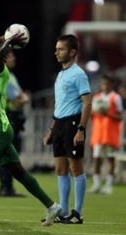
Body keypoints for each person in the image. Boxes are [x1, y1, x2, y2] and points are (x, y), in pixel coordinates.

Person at [0, 34, 62, 226]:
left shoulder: (1, 73)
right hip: (0, 130)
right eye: (11, 56)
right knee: (19, 173)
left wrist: (8, 40)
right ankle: (52, 206)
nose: (13, 59)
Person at [43, 34, 92, 224]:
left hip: (73, 124)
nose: (56, 52)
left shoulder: (78, 74)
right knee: (60, 169)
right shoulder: (62, 74)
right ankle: (61, 212)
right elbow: (59, 105)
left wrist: (81, 129)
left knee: (76, 168)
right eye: (56, 48)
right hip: (60, 125)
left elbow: (87, 103)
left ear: (72, 52)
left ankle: (77, 214)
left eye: (60, 49)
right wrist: (51, 130)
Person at [0, 48, 29, 197]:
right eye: (11, 56)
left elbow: (22, 96)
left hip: (11, 118)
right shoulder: (5, 76)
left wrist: (22, 97)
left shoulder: (11, 76)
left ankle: (7, 187)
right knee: (8, 154)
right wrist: (22, 98)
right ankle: (5, 187)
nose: (14, 59)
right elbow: (20, 99)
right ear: (4, 60)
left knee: (10, 154)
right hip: (8, 118)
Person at [88, 74, 123, 194]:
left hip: (110, 133)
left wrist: (107, 114)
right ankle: (97, 184)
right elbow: (92, 115)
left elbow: (120, 116)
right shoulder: (97, 97)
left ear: (112, 85)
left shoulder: (115, 97)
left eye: (107, 84)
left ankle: (108, 186)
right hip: (98, 132)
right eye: (103, 84)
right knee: (96, 158)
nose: (104, 86)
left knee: (110, 159)